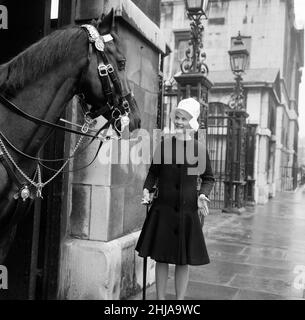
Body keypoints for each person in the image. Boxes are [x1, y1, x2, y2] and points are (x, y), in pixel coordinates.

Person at [135, 98, 215, 300]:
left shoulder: (199, 149)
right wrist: (147, 189)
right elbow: (153, 173)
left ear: (193, 122)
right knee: (161, 258)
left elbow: (208, 178)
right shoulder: (164, 146)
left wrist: (203, 194)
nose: (179, 122)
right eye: (177, 117)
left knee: (182, 260)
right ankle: (160, 301)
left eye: (184, 118)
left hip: (187, 212)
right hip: (163, 209)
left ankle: (179, 302)